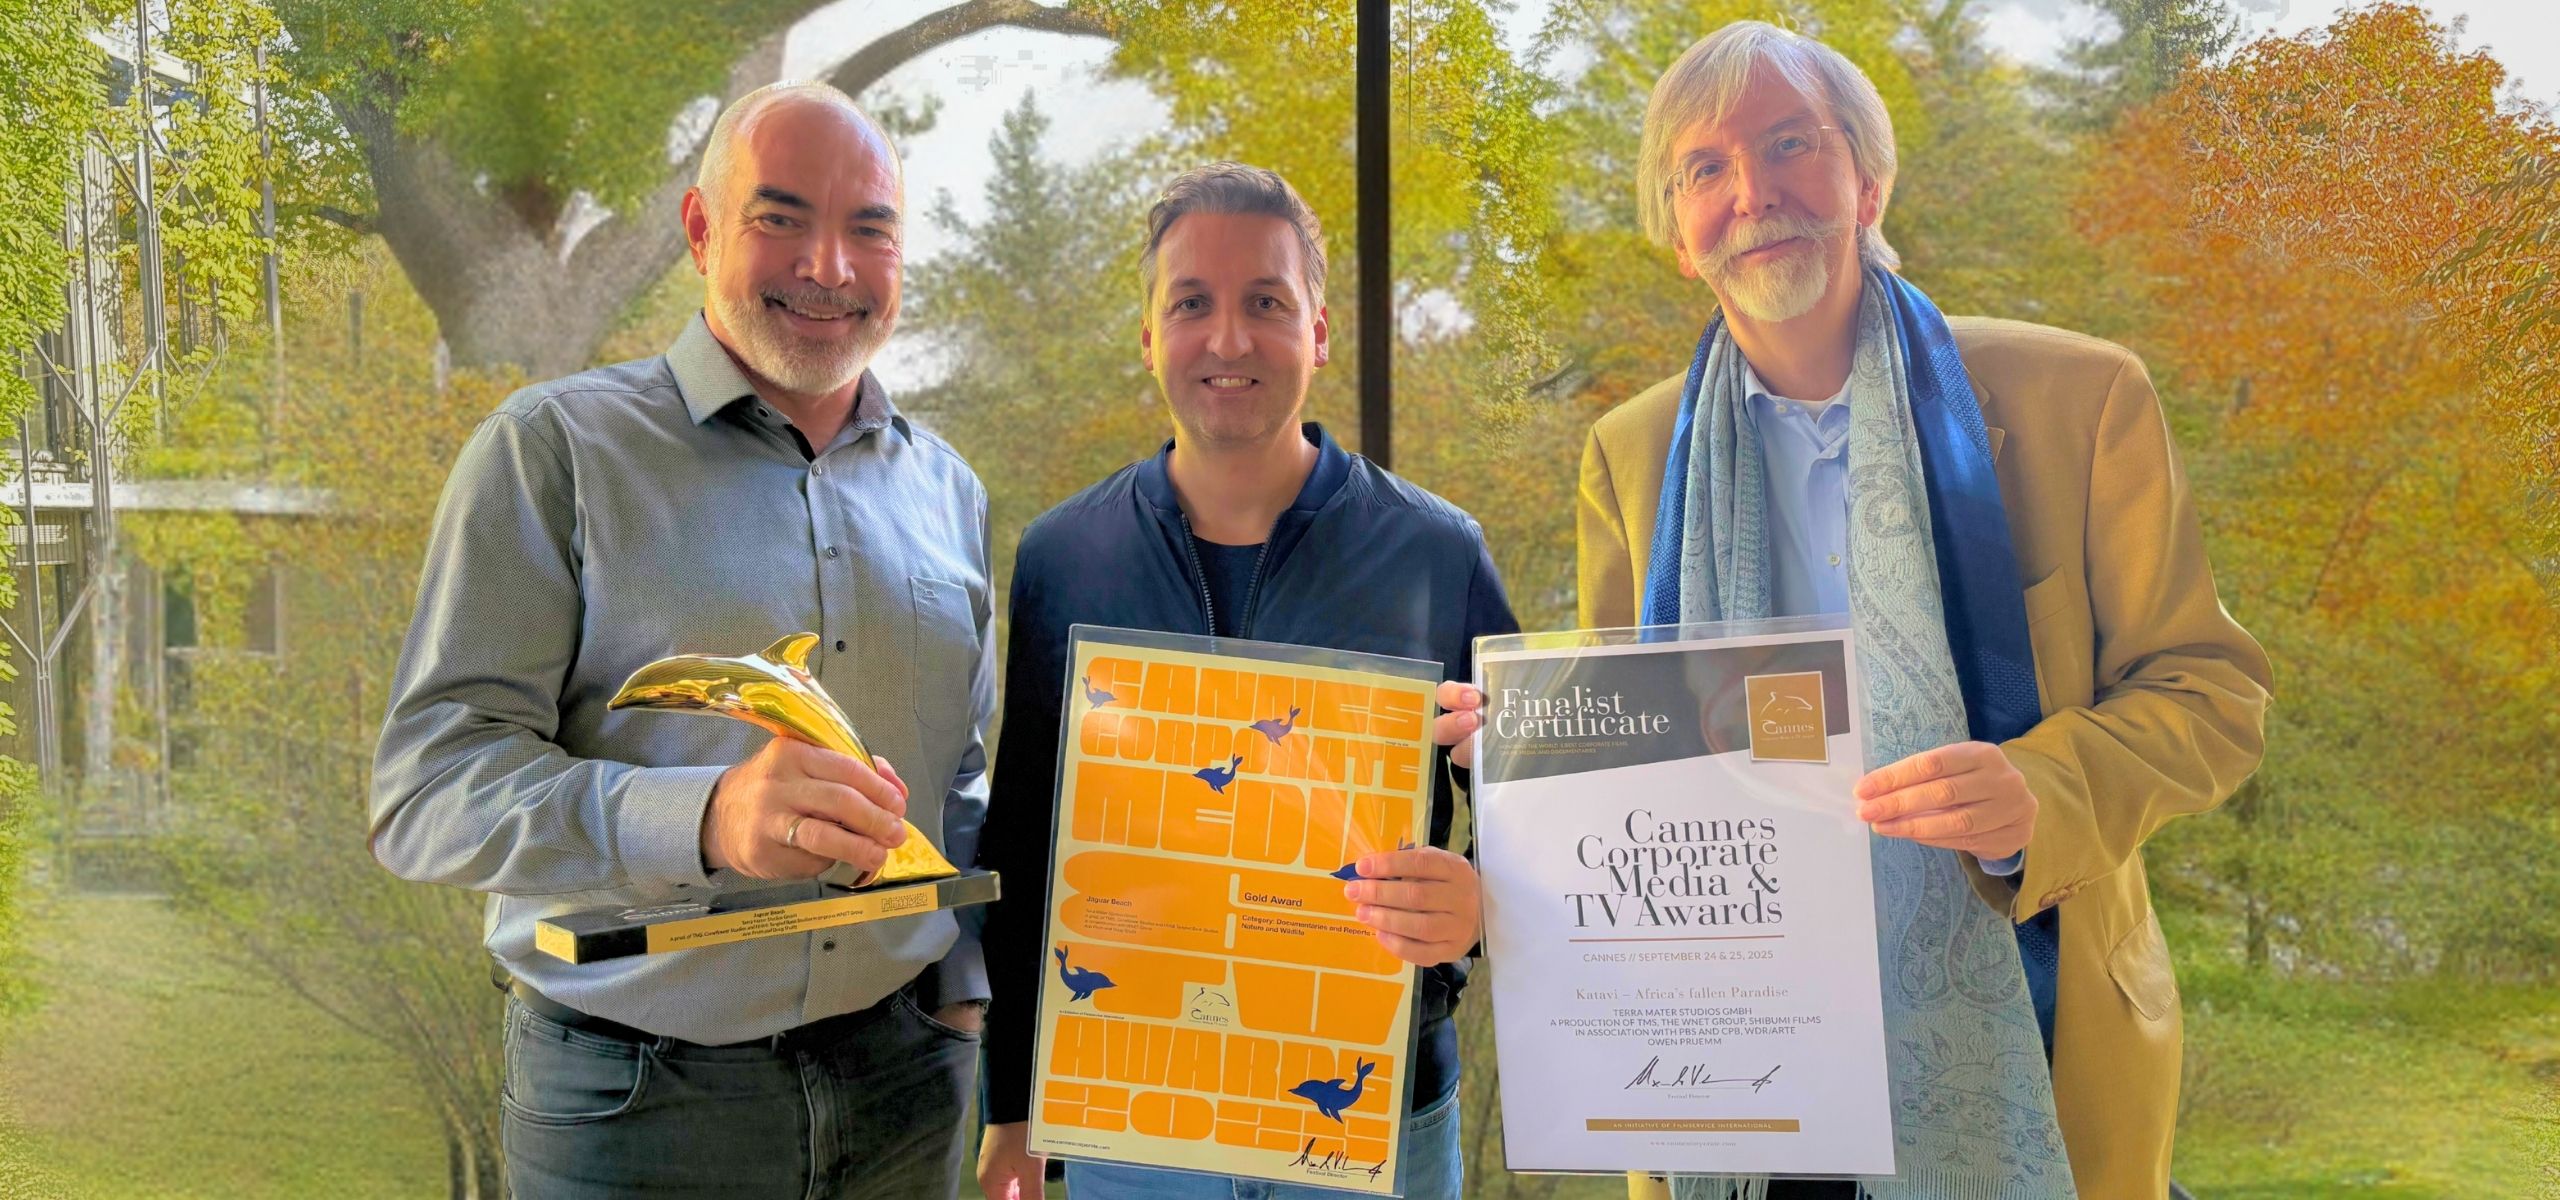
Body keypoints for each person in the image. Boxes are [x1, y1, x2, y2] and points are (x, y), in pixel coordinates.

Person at [1434, 22, 2270, 1200]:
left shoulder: (2078, 399)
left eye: (1789, 146)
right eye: (1704, 169)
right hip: (1745, 1072)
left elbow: (2212, 693)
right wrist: (1528, 763)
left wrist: (2048, 786)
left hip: (2031, 1050)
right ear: (1679, 234)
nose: (1753, 193)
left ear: (1866, 180)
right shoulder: (1627, 457)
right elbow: (1639, 759)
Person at [370, 81, 998, 1200]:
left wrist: (960, 991)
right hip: (635, 1111)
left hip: (908, 1093)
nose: (829, 265)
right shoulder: (552, 452)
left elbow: (954, 777)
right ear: (701, 230)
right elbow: (426, 793)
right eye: (781, 217)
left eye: (871, 227)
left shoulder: (948, 489)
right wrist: (702, 820)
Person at [973, 163, 1517, 1200]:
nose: (1228, 339)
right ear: (1148, 337)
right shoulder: (1062, 556)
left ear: (1317, 329)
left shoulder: (1437, 551)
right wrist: (1011, 1102)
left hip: (1379, 1124)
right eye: (1192, 304)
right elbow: (1025, 838)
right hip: (1131, 1124)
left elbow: (1535, 790)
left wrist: (1483, 905)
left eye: (1265, 302)